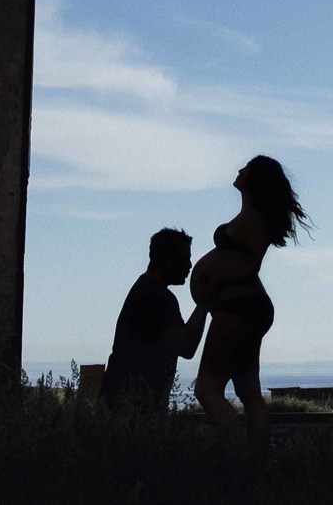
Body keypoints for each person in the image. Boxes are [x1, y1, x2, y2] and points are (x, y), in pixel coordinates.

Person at [190, 155, 310, 454]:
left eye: (245, 168)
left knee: (207, 388)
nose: (239, 169)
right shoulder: (249, 214)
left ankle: (240, 456)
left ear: (254, 179)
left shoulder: (255, 217)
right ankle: (256, 465)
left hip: (238, 306)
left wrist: (215, 283)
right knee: (248, 391)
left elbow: (251, 264)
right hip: (241, 306)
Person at [101, 228, 208, 411]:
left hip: (121, 402)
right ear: (168, 261)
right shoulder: (158, 298)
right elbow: (186, 346)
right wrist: (205, 303)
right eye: (185, 259)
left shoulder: (146, 291)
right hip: (133, 408)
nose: (190, 265)